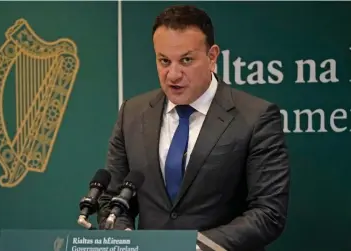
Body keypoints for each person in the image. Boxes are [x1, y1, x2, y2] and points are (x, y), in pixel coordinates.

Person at [97, 5, 290, 251]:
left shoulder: (256, 117)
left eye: (186, 60)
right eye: (164, 61)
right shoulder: (132, 113)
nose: (173, 74)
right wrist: (125, 240)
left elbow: (268, 212)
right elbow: (112, 199)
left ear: (212, 57)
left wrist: (194, 247)